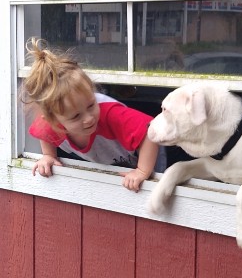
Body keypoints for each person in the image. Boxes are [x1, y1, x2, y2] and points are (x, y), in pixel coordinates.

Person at [22, 38, 166, 192]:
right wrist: (49, 156)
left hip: (146, 151)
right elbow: (43, 132)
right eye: (76, 116)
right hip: (110, 159)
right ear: (53, 120)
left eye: (91, 105)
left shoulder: (111, 114)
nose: (89, 118)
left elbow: (149, 130)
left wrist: (142, 171)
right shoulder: (48, 125)